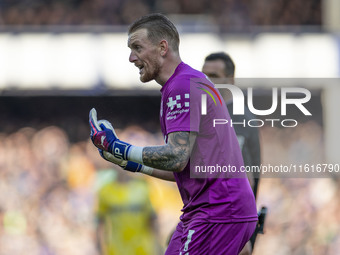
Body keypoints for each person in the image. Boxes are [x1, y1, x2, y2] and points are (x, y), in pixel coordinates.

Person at [89, 13, 258, 255]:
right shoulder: (184, 83)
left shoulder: (181, 86)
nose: (131, 57)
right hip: (215, 209)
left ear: (162, 47)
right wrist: (131, 163)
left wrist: (120, 148)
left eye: (137, 47)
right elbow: (185, 167)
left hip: (217, 211)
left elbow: (177, 156)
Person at [202, 52, 262, 254]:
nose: (208, 82)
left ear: (231, 80)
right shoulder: (203, 115)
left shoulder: (240, 120)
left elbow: (245, 179)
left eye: (215, 76)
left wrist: (241, 232)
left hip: (229, 224)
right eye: (204, 76)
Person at [96, 169, 159, 255]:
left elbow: (152, 221)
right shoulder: (105, 191)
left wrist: (157, 247)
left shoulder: (142, 187)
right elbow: (100, 224)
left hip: (142, 249)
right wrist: (100, 249)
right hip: (116, 250)